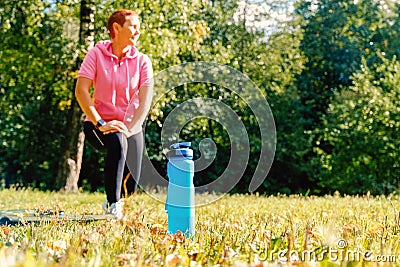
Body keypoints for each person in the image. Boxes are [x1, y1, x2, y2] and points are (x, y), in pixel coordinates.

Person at [75, 9, 153, 220]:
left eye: (138, 26)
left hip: (131, 125)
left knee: (132, 182)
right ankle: (113, 204)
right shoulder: (96, 53)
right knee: (117, 141)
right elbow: (81, 90)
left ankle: (116, 198)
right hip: (98, 124)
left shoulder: (142, 61)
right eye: (133, 26)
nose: (138, 31)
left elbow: (145, 101)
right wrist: (100, 122)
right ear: (116, 28)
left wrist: (132, 128)